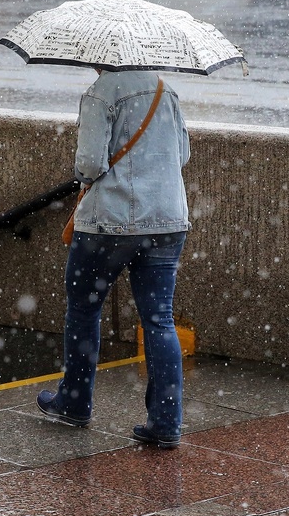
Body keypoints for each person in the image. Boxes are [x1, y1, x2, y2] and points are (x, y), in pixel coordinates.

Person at [36, 69, 191, 450]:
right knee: (159, 319)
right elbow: (182, 154)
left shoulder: (100, 93)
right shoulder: (165, 90)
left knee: (85, 310)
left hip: (109, 223)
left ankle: (74, 401)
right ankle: (166, 421)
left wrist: (91, 174)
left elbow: (90, 163)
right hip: (167, 220)